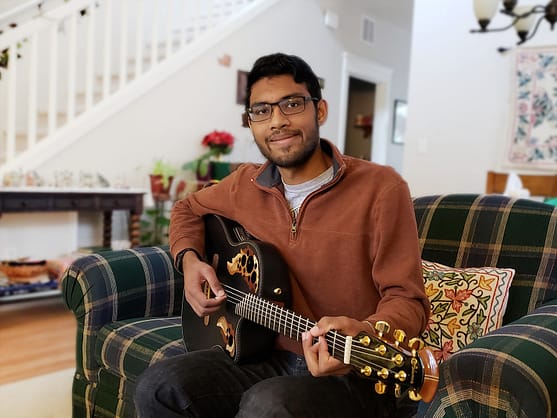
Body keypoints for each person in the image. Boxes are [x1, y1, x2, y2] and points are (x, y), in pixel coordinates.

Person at [135, 52, 430, 418]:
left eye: (291, 104)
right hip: (263, 353)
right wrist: (190, 262)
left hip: (351, 370)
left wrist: (365, 333)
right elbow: (186, 209)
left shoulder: (382, 188)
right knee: (158, 387)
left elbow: (408, 300)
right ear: (250, 123)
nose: (277, 121)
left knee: (268, 407)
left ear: (319, 111)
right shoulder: (245, 182)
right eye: (261, 111)